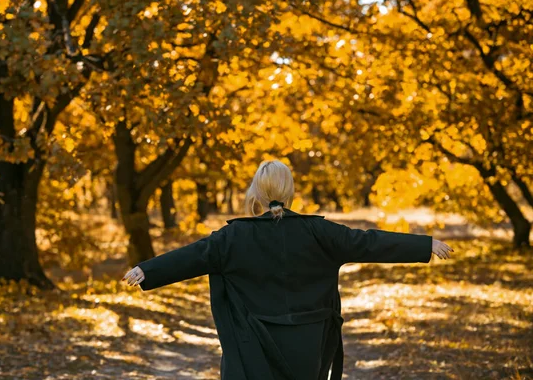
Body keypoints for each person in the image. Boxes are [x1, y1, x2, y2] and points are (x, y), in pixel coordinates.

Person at [122, 160, 453, 380]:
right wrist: (424, 245)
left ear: (256, 192)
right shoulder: (319, 232)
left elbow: (191, 257)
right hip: (308, 348)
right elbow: (368, 242)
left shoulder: (234, 237)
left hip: (252, 350)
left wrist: (147, 270)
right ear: (290, 191)